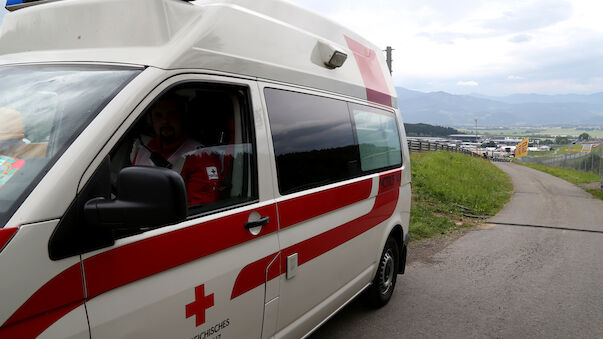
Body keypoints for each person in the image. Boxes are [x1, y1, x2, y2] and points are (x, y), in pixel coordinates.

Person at [130, 94, 222, 206]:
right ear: (151, 120)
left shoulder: (201, 156)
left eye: (172, 115)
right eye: (158, 115)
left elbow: (199, 212)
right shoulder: (143, 149)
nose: (165, 121)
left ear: (183, 117)